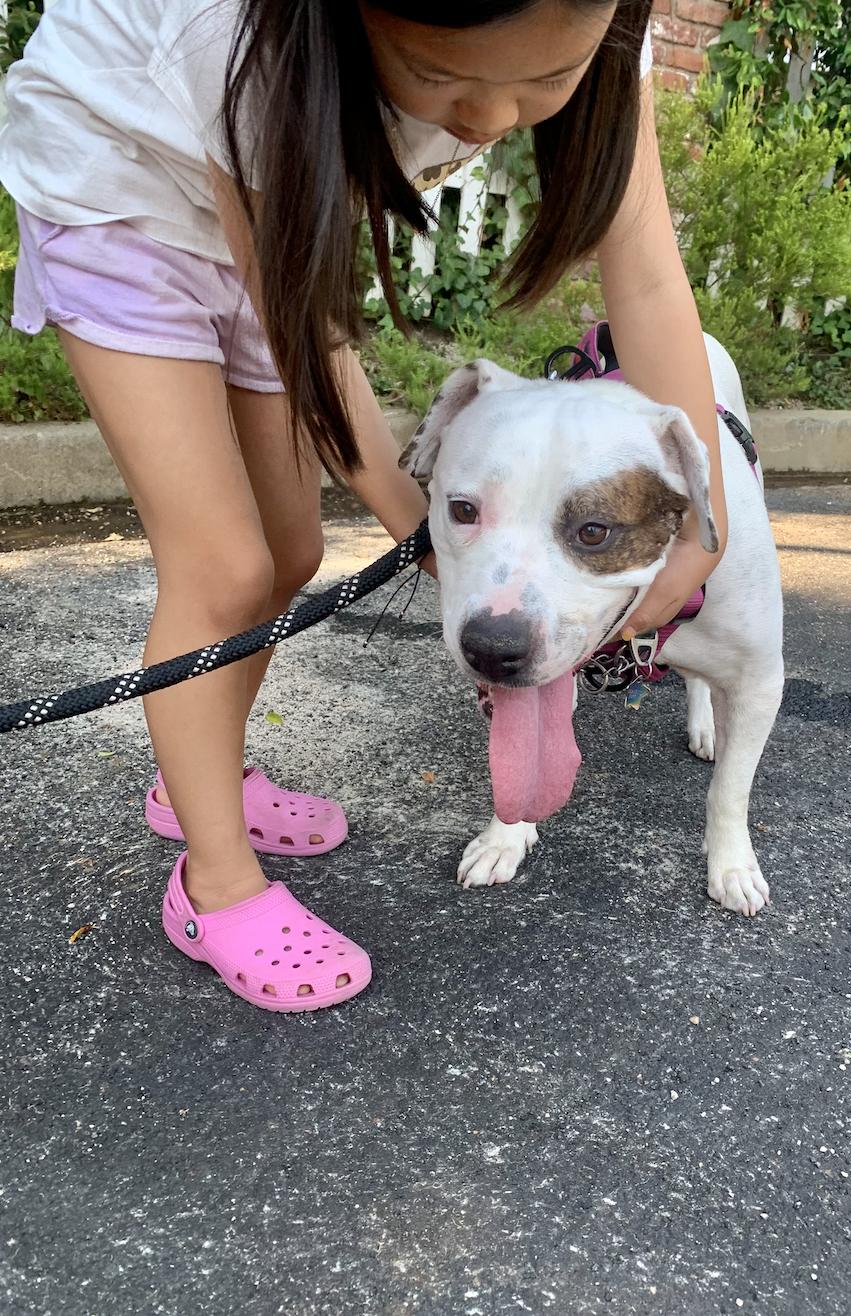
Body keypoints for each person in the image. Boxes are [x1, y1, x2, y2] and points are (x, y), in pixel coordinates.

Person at [0, 0, 727, 1011]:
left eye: (541, 80)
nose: (486, 119)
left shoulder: (597, 19)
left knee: (290, 547)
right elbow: (305, 322)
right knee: (223, 569)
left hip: (266, 209)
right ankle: (215, 883)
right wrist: (413, 517)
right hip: (119, 194)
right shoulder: (234, 33)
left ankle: (194, 782)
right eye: (438, 76)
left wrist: (707, 519)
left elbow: (643, 271)